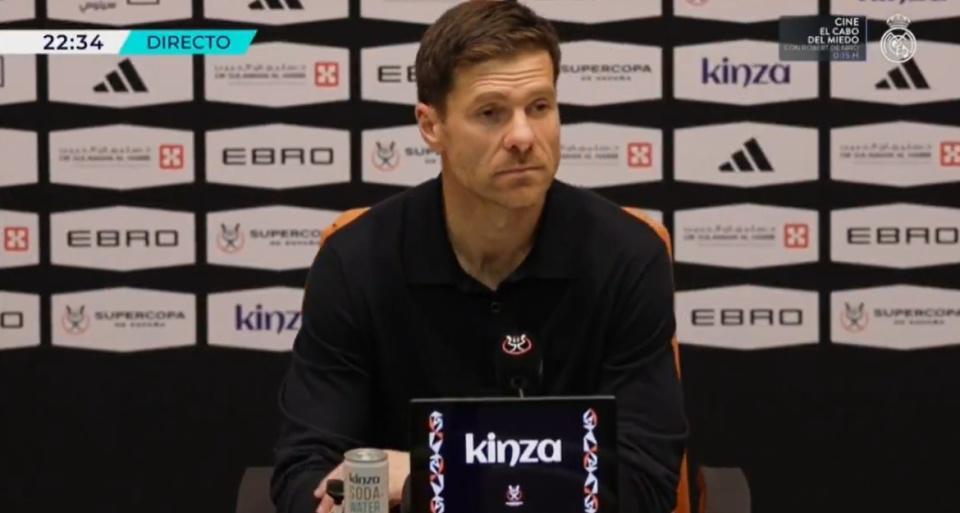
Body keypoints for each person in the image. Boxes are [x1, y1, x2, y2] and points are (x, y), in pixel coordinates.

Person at [270, 1, 688, 512]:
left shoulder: (627, 256)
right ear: (431, 126)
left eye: (540, 107)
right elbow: (306, 472)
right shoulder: (357, 261)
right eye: (491, 113)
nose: (523, 137)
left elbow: (645, 485)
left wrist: (429, 477)